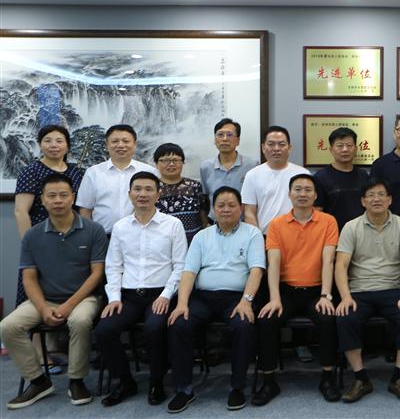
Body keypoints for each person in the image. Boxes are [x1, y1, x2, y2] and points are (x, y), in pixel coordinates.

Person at [1, 174, 106, 409]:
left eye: (63, 195)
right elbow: (29, 278)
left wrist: (69, 305)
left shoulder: (93, 230)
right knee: (8, 326)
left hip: (84, 298)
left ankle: (77, 380)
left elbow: (97, 274)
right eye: (52, 196)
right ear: (43, 200)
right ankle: (38, 381)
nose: (58, 200)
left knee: (79, 321)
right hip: (44, 299)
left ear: (73, 198)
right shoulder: (32, 235)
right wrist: (42, 308)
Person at [165, 186, 265, 413]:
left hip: (237, 297)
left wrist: (246, 301)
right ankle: (184, 389)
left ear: (241, 208)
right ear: (213, 209)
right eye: (221, 205)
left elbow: (256, 270)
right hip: (203, 297)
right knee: (179, 323)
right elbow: (189, 272)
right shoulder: (202, 236)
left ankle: (237, 387)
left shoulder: (252, 233)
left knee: (243, 325)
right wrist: (182, 304)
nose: (226, 209)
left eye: (231, 205)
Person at [95, 171, 187, 407]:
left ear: (158, 194)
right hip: (128, 296)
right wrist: (113, 298)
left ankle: (157, 381)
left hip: (161, 293)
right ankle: (125, 381)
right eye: (137, 189)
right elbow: (113, 266)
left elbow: (180, 266)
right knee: (104, 330)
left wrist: (166, 296)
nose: (142, 194)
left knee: (154, 327)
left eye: (148, 189)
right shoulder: (120, 227)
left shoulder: (173, 225)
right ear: (130, 194)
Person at [252, 174, 340, 406]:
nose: (302, 194)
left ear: (315, 195)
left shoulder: (328, 221)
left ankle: (327, 378)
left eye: (308, 190)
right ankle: (269, 380)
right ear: (289, 194)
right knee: (267, 320)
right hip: (286, 291)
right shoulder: (277, 224)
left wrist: (326, 295)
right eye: (297, 190)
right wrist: (274, 298)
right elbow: (273, 263)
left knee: (328, 318)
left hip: (317, 290)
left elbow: (329, 260)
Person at [335, 178, 400, 403]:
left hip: (393, 288)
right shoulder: (351, 227)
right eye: (371, 195)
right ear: (363, 201)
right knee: (345, 316)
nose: (376, 199)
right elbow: (341, 265)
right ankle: (360, 378)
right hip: (359, 290)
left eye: (381, 194)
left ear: (390, 200)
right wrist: (345, 297)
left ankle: (398, 377)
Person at [13, 125, 87, 373]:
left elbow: (82, 208)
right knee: (36, 291)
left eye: (59, 140)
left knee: (63, 290)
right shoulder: (32, 171)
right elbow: (21, 211)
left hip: (71, 239)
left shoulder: (76, 172)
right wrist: (30, 245)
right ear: (40, 144)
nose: (53, 145)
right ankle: (40, 352)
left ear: (67, 145)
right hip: (41, 239)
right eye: (48, 140)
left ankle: (55, 348)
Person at [77, 124, 157, 233]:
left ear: (134, 145)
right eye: (115, 141)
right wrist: (90, 235)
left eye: (126, 141)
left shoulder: (149, 172)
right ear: (107, 145)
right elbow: (85, 209)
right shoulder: (93, 173)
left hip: (139, 235)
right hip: (102, 236)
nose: (120, 145)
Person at [240, 125, 310, 235]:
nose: (276, 148)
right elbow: (249, 212)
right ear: (263, 148)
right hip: (265, 236)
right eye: (271, 144)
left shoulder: (303, 174)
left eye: (281, 144)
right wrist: (257, 239)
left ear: (289, 147)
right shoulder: (252, 175)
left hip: (298, 236)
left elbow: (310, 208)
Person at [200, 118, 258, 217]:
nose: (225, 139)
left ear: (238, 140)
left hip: (243, 221)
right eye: (220, 135)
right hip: (215, 222)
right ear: (215, 139)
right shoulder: (206, 166)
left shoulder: (252, 165)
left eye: (230, 135)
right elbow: (204, 198)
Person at [313, 127, 369, 229]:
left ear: (356, 149)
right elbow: (317, 212)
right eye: (340, 146)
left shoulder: (364, 175)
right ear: (331, 150)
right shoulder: (320, 177)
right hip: (332, 234)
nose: (345, 149)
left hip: (361, 232)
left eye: (349, 145)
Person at [154, 143, 209, 243]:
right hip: (162, 243)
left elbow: (203, 216)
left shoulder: (195, 186)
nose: (171, 164)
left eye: (176, 160)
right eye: (165, 160)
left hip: (193, 243)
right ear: (156, 163)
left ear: (183, 162)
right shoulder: (152, 188)